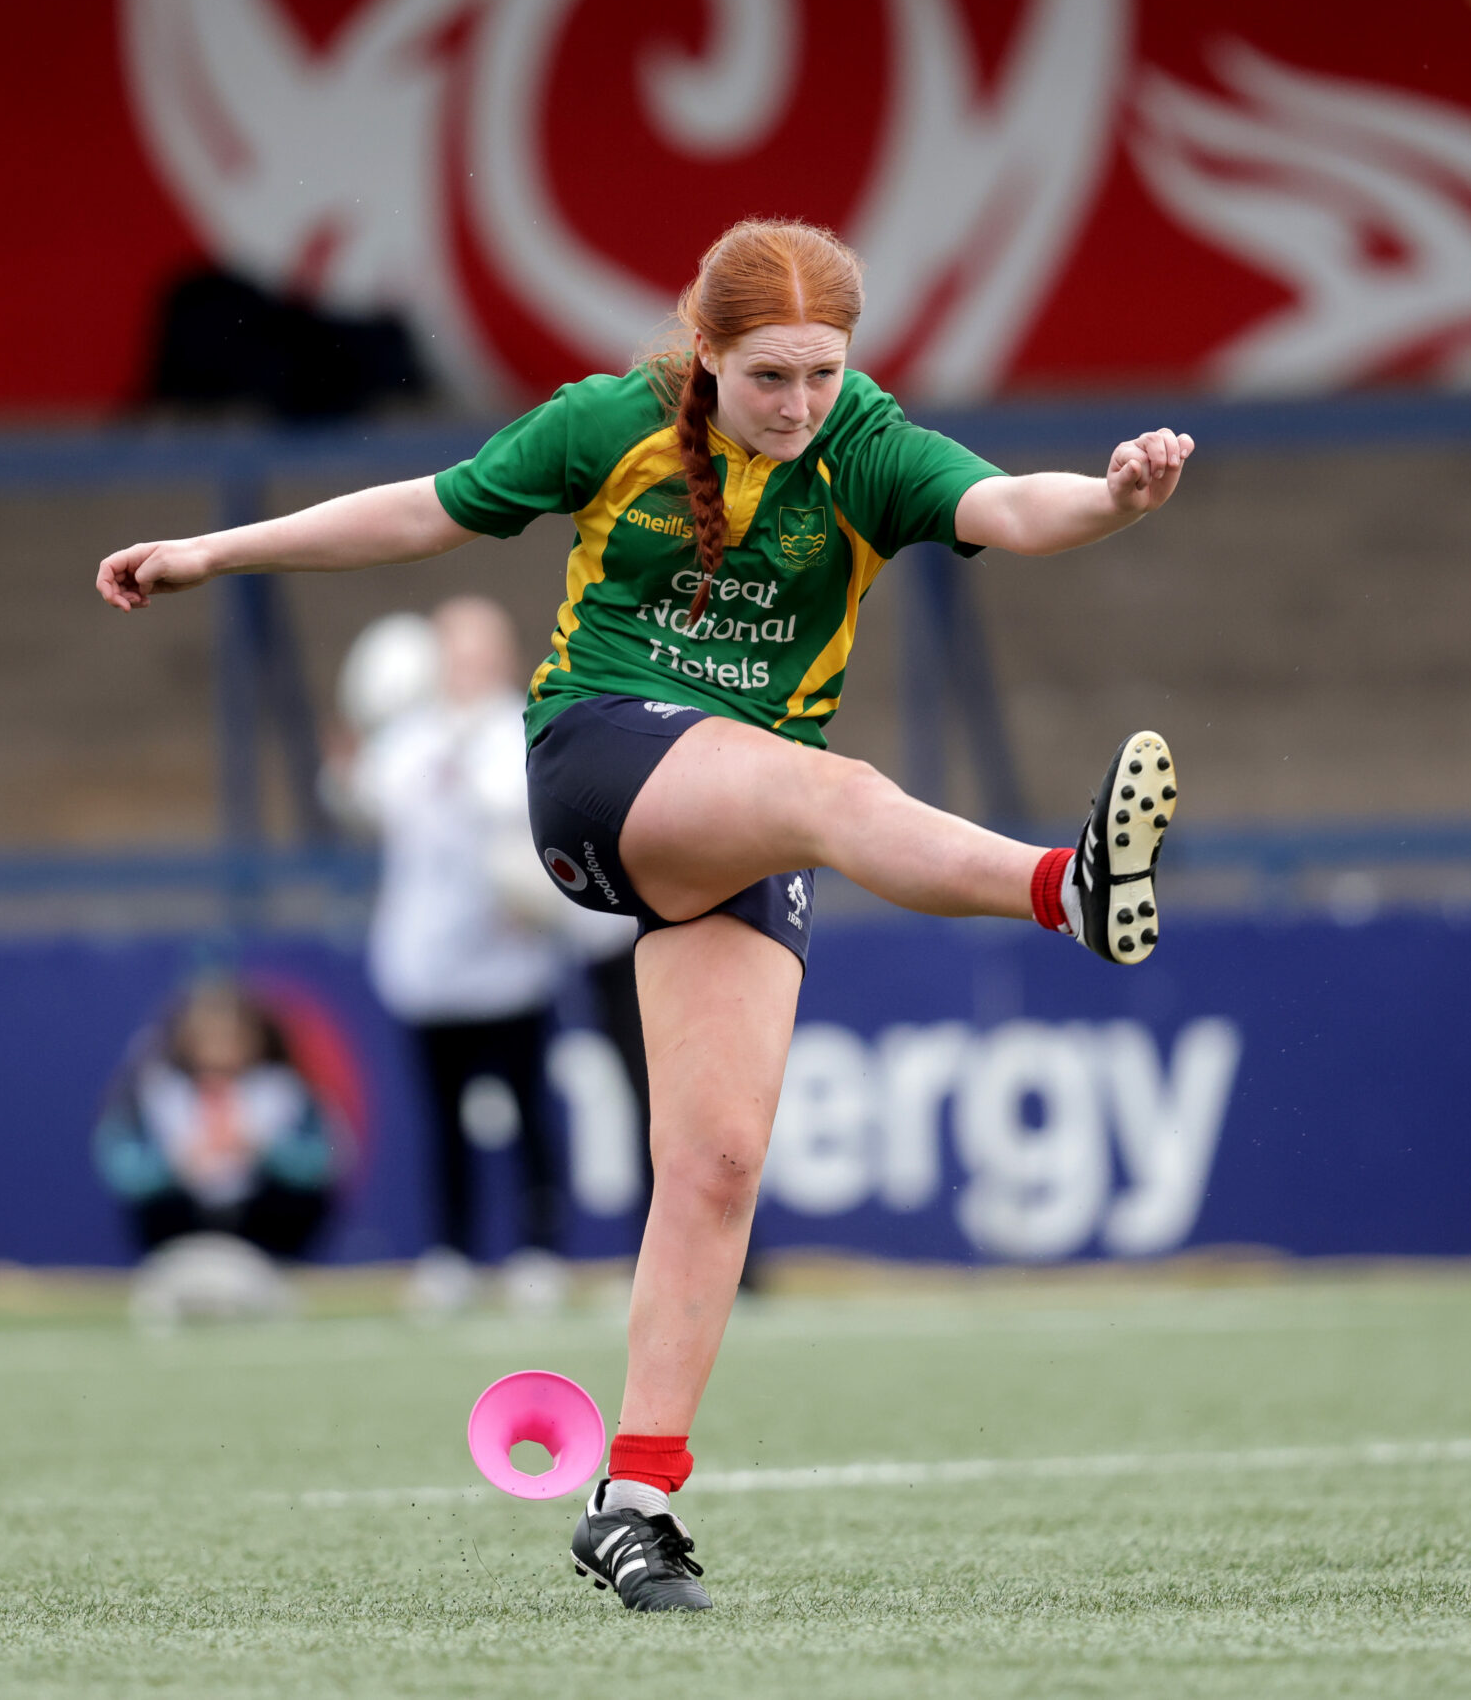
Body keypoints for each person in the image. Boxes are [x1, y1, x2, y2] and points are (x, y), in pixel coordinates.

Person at [97, 218, 1192, 1611]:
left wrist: (1115, 499)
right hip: (601, 765)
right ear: (706, 351)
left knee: (718, 1162)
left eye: (822, 371)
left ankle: (634, 1501)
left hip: (745, 818)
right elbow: (425, 508)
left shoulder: (864, 443)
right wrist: (214, 551)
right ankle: (1065, 889)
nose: (799, 403)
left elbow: (1017, 510)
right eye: (770, 375)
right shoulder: (609, 422)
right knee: (832, 790)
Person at [331, 597, 576, 1314]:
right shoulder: (408, 739)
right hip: (426, 967)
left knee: (528, 1110)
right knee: (442, 1120)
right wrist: (346, 766)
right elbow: (366, 804)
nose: (467, 666)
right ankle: (451, 1253)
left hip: (510, 967)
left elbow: (525, 815)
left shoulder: (524, 728)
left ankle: (538, 1252)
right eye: (455, 651)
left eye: (480, 650)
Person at [93, 971, 342, 1259]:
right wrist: (176, 1163)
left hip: (263, 1226)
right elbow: (121, 1166)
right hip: (180, 1227)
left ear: (256, 1036)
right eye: (207, 1034)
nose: (219, 1047)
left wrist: (262, 1150)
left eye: (232, 1035)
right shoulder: (155, 1090)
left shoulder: (283, 1090)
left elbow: (323, 1159)